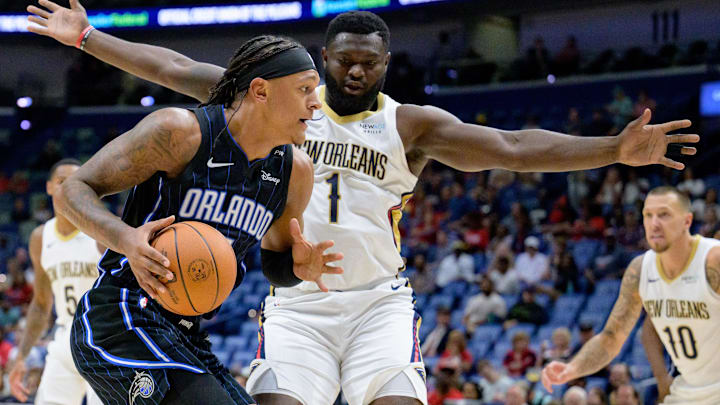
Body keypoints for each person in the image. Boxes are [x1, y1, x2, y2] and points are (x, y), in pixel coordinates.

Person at [28, 3, 698, 404]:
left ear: (386, 61)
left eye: (368, 62)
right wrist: (87, 39)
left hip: (378, 298)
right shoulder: (274, 99)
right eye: (344, 59)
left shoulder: (411, 125)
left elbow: (512, 146)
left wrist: (613, 147)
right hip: (295, 298)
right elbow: (173, 69)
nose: (354, 71)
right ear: (324, 58)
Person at [53, 35, 340, 405]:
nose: (317, 102)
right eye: (304, 89)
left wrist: (297, 267)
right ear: (260, 91)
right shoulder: (181, 133)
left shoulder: (295, 172)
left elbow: (276, 267)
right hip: (121, 316)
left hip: (186, 333)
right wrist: (124, 239)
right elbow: (73, 190)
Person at [542, 187, 720, 404]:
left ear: (686, 221)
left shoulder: (713, 260)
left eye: (664, 214)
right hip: (685, 391)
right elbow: (611, 338)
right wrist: (573, 367)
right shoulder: (640, 269)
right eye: (648, 215)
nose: (654, 224)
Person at [8, 159, 104, 405]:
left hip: (104, 338)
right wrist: (22, 356)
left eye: (77, 181)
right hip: (65, 338)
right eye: (63, 181)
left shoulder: (101, 230)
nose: (69, 187)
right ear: (50, 187)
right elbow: (40, 304)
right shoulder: (41, 237)